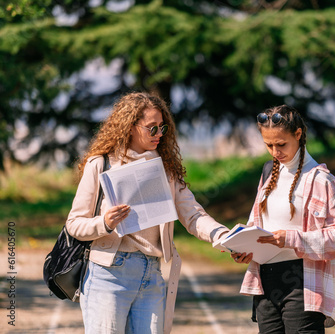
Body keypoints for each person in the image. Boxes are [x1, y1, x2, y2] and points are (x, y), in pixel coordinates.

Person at [65, 92, 229, 334]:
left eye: (162, 127)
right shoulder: (100, 164)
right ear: (130, 127)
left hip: (151, 274)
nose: (160, 134)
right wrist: (105, 223)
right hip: (108, 275)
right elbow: (74, 224)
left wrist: (223, 236)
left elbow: (193, 215)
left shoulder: (167, 169)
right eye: (152, 128)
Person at [231, 105, 335, 333]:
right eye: (268, 145)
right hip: (265, 283)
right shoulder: (268, 173)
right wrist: (242, 248)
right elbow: (254, 225)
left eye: (281, 144)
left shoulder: (322, 180)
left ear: (298, 134)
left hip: (302, 282)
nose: (275, 152)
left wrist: (292, 239)